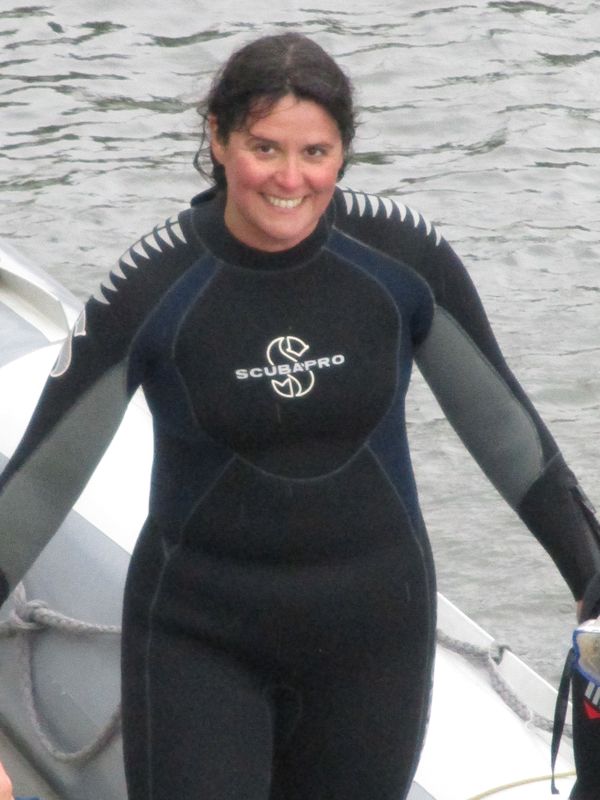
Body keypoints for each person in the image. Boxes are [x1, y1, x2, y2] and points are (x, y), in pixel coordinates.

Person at [0, 31, 599, 800]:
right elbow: (41, 485)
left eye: (314, 152)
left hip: (372, 640)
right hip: (199, 640)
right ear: (218, 138)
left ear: (343, 151)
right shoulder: (154, 289)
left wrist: (590, 573)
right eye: (265, 148)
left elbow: (508, 436)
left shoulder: (401, 262)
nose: (290, 179)